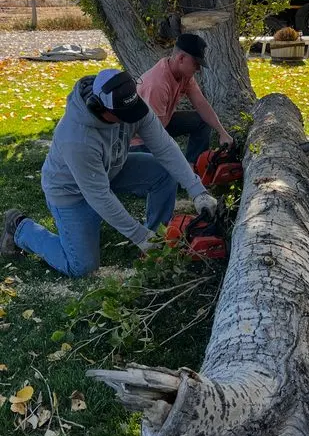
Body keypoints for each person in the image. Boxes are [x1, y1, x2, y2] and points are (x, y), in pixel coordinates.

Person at [0, 68, 217, 278]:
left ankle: (158, 239)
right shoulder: (77, 138)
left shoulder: (129, 103)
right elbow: (99, 196)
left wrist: (197, 191)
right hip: (71, 191)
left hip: (111, 168)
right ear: (100, 108)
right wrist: (138, 235)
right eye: (124, 116)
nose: (131, 119)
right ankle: (20, 227)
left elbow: (164, 147)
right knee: (82, 267)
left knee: (163, 171)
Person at [129, 33, 234, 166]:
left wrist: (222, 132)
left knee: (202, 121)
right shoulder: (157, 84)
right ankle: (187, 171)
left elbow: (201, 104)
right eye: (196, 64)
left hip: (161, 123)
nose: (198, 69)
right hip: (141, 140)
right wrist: (180, 164)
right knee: (163, 172)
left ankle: (195, 166)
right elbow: (154, 135)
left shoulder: (184, 75)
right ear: (181, 58)